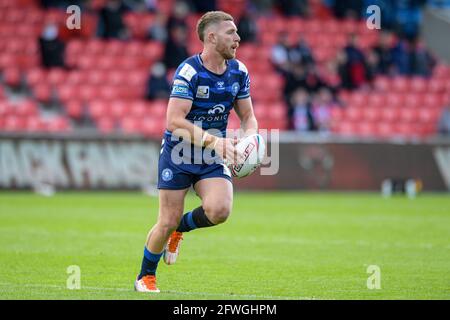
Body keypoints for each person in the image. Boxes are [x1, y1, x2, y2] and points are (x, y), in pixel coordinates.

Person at [134, 11, 258, 293]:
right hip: (179, 153)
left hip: (211, 154)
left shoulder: (239, 71)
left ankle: (182, 229)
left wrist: (251, 138)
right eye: (231, 33)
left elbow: (248, 116)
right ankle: (145, 277)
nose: (238, 38)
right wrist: (216, 142)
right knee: (165, 220)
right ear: (211, 37)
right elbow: (174, 121)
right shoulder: (189, 71)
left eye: (237, 32)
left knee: (220, 210)